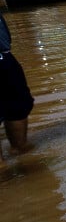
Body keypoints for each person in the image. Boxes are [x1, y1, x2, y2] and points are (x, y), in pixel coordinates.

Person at [0, 13, 35, 157]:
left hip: (4, 57)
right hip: (4, 57)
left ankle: (20, 153)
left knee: (17, 107)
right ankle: (19, 153)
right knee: (17, 107)